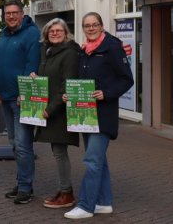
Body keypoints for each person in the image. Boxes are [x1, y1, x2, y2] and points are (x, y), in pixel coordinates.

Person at [64, 12, 133, 220]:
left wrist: (106, 93)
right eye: (87, 26)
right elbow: (82, 80)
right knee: (99, 161)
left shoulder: (111, 47)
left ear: (102, 26)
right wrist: (72, 94)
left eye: (94, 25)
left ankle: (86, 206)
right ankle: (104, 202)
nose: (91, 28)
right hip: (85, 114)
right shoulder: (85, 49)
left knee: (92, 161)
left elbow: (126, 79)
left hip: (103, 115)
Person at [0, 0, 41, 204]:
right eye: (7, 13)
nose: (11, 16)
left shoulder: (31, 33)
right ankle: (23, 181)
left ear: (23, 14)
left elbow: (32, 64)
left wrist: (25, 93)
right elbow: (1, 65)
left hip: (21, 99)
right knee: (14, 143)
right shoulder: (5, 34)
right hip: (6, 97)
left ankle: (25, 187)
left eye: (15, 13)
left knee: (23, 145)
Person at [32, 18, 81, 209]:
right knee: (57, 151)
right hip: (51, 110)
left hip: (59, 111)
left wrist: (49, 110)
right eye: (51, 31)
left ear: (66, 33)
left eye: (59, 30)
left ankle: (67, 193)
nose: (55, 33)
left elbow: (66, 85)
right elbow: (50, 79)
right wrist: (36, 79)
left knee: (60, 153)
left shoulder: (69, 53)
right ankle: (63, 190)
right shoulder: (48, 52)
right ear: (46, 33)